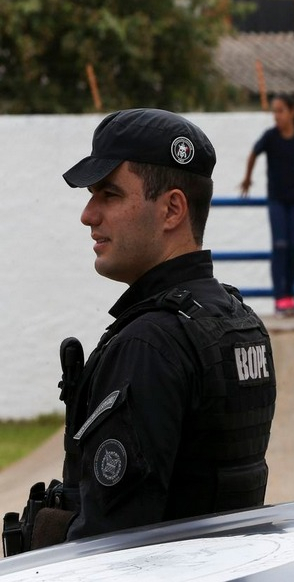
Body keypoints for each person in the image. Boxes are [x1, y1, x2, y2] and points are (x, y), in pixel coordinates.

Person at [51, 109, 276, 544]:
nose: (88, 214)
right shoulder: (237, 321)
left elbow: (112, 549)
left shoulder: (150, 344)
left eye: (109, 195)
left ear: (172, 209)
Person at [240, 94, 294, 316]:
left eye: (280, 111)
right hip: (276, 199)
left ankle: (291, 295)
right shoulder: (270, 137)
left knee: (293, 248)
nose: (276, 116)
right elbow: (253, 153)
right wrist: (247, 178)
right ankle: (280, 297)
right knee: (279, 245)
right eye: (274, 111)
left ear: (292, 112)